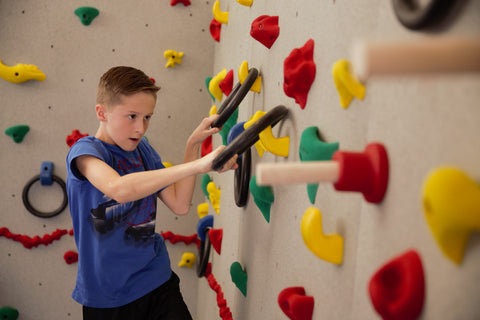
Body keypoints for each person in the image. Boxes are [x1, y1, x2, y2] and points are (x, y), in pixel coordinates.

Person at [66, 66, 238, 320]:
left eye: (147, 117)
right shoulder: (86, 153)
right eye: (132, 116)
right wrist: (198, 165)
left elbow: (180, 204)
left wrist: (193, 147)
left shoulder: (143, 150)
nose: (140, 128)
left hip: (155, 279)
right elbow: (119, 189)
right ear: (102, 112)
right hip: (107, 295)